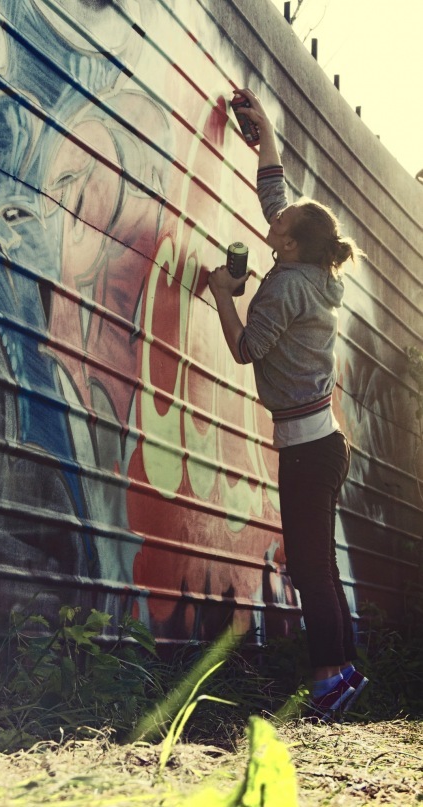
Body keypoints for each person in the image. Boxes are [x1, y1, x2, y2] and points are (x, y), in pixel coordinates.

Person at [208, 88, 368, 720]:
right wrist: (266, 135)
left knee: (307, 566)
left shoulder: (288, 291)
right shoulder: (312, 258)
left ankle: (328, 681)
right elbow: (278, 198)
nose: (271, 223)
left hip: (307, 449)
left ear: (293, 246)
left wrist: (223, 294)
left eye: (280, 228)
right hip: (323, 443)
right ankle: (343, 671)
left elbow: (246, 349)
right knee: (319, 563)